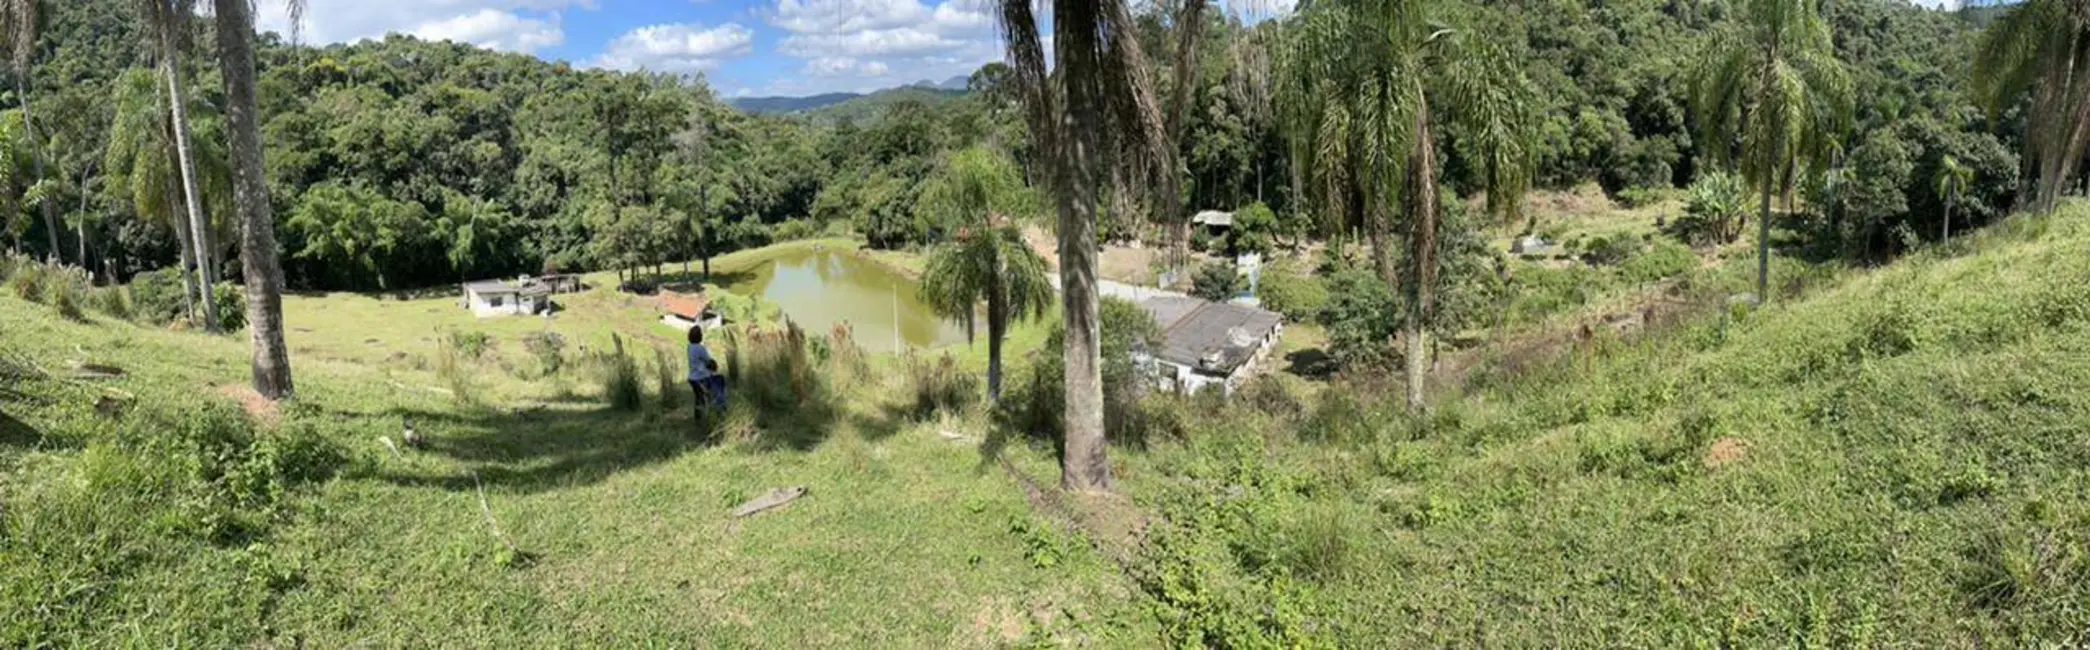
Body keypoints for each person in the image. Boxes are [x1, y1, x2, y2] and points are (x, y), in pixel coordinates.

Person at [687, 326, 726, 416]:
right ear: (700, 337)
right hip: (701, 377)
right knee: (715, 390)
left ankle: (698, 419)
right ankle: (719, 411)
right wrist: (714, 366)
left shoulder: (689, 347)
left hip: (692, 378)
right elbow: (709, 362)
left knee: (698, 399)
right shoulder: (700, 348)